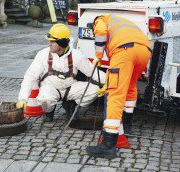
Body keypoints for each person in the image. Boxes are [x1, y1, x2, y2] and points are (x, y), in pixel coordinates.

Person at [86, 14, 152, 159]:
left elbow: (101, 31)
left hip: (125, 51)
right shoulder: (120, 22)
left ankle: (108, 145)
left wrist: (98, 56)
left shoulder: (100, 20)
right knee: (130, 87)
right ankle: (127, 125)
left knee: (114, 93)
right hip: (144, 51)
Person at [16, 23, 105, 122]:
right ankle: (49, 111)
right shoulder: (43, 55)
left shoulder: (76, 55)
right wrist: (23, 99)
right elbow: (30, 77)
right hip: (50, 88)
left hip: (70, 88)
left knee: (94, 90)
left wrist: (109, 82)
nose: (49, 44)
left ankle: (72, 106)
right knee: (45, 99)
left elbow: (92, 72)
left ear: (62, 43)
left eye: (53, 41)